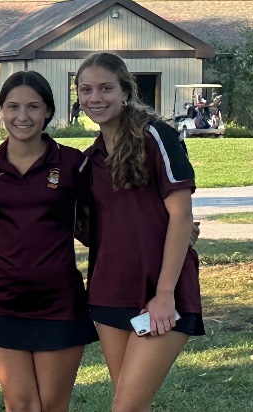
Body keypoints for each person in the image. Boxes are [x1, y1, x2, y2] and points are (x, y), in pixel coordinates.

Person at [75, 52, 203, 411]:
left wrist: (164, 294)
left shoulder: (156, 136)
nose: (95, 98)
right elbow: (93, 227)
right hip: (109, 291)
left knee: (126, 406)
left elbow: (180, 216)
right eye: (86, 90)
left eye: (105, 88)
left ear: (125, 92)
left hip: (162, 293)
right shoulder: (92, 157)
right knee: (132, 403)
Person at [0, 71, 96, 412]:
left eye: (33, 107)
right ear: (0, 110)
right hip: (4, 299)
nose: (22, 116)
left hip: (59, 300)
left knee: (52, 407)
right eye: (13, 107)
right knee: (19, 405)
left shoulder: (73, 162)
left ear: (48, 111)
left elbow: (101, 226)